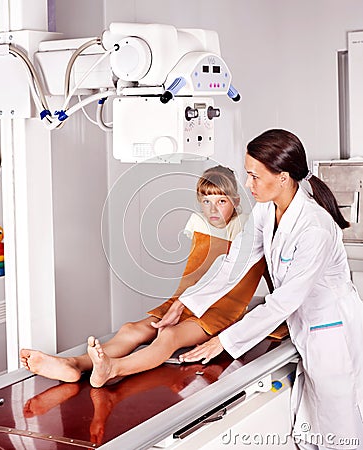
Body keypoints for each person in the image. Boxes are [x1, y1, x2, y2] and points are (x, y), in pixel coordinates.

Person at [157, 129, 363, 450]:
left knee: (339, 430)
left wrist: (223, 341)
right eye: (248, 175)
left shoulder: (315, 227)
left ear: (282, 177)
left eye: (254, 176)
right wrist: (185, 302)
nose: (248, 185)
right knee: (312, 429)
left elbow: (284, 302)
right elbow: (233, 265)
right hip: (307, 330)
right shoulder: (266, 211)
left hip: (331, 333)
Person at [20, 165, 265, 388]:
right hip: (185, 298)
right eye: (206, 201)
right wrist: (182, 300)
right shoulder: (197, 222)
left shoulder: (246, 225)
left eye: (221, 201)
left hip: (220, 310)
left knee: (169, 335)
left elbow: (240, 268)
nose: (213, 209)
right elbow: (197, 269)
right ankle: (74, 364)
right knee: (132, 329)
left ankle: (113, 368)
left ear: (235, 200)